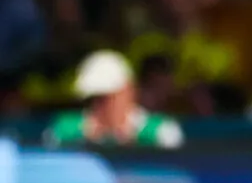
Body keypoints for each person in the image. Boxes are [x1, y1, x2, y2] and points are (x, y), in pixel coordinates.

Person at [44, 50, 184, 149]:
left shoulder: (161, 131)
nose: (101, 106)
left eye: (107, 98)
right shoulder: (64, 130)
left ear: (128, 91)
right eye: (95, 99)